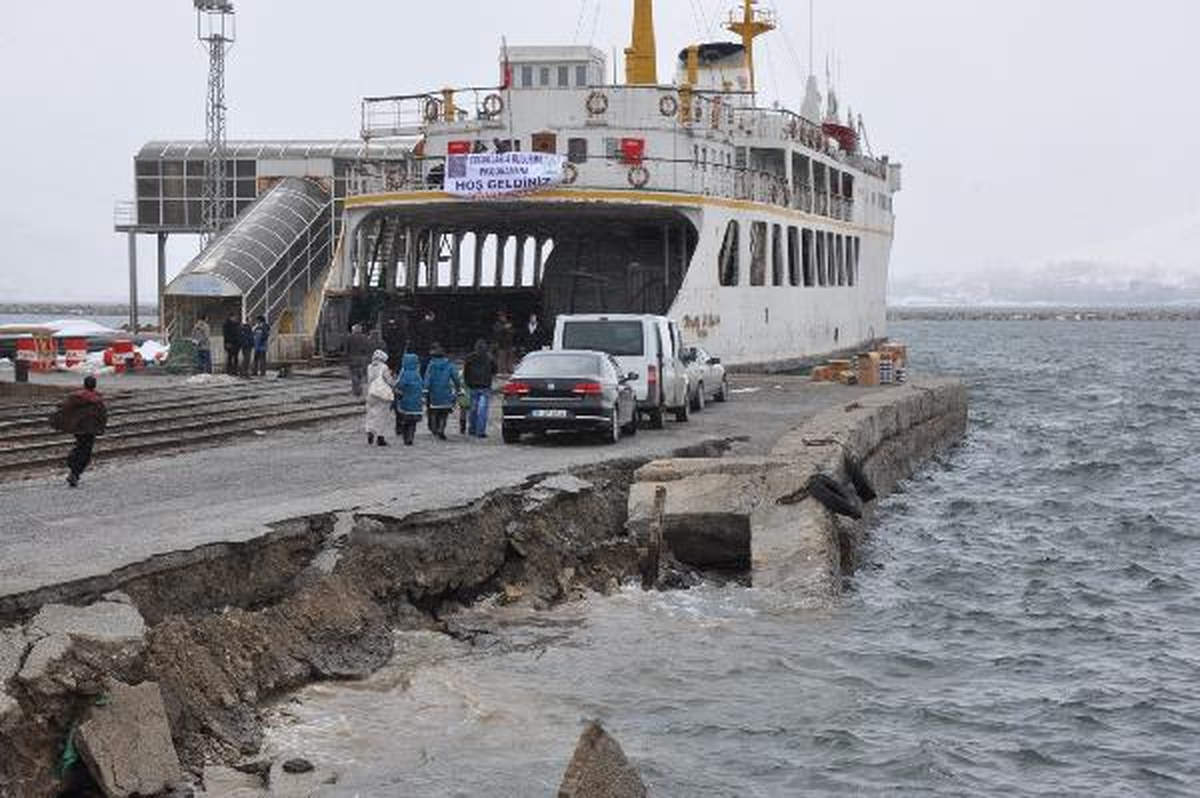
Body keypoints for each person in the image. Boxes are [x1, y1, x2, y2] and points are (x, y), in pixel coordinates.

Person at [50, 375, 108, 488]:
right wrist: (101, 429)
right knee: (85, 452)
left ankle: (72, 465)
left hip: (78, 429)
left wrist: (58, 422)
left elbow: (65, 409)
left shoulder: (76, 397)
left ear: (84, 384)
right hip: (91, 430)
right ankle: (74, 473)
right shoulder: (98, 400)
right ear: (94, 386)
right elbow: (102, 416)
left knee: (80, 446)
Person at [423, 344, 463, 441]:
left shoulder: (431, 365)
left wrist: (425, 389)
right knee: (444, 413)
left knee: (434, 412)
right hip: (446, 392)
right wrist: (458, 388)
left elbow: (428, 378)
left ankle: (434, 429)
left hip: (434, 392)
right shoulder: (449, 364)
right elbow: (455, 378)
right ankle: (441, 429)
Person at [462, 338, 497, 438]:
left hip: (473, 386)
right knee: (482, 410)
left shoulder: (470, 357)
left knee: (473, 409)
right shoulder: (489, 357)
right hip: (485, 386)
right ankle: (480, 431)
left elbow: (465, 372)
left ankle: (472, 429)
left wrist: (467, 382)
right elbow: (495, 370)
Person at [393, 352, 425, 446]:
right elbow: (421, 386)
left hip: (406, 402)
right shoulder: (417, 374)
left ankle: (406, 438)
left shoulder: (404, 374)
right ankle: (411, 437)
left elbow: (401, 385)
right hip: (416, 402)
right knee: (413, 422)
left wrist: (397, 389)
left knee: (406, 421)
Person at [364, 350, 394, 447]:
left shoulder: (369, 367)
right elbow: (389, 380)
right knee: (382, 414)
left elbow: (369, 380)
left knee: (371, 413)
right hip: (382, 394)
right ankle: (380, 437)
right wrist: (394, 384)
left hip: (371, 393)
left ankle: (370, 431)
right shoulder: (384, 367)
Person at [346, 323, 372, 397]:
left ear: (353, 330)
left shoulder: (349, 338)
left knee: (354, 375)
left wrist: (346, 357)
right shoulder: (365, 338)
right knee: (360, 375)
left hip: (352, 359)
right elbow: (368, 348)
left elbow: (347, 349)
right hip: (362, 359)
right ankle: (359, 389)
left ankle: (356, 391)